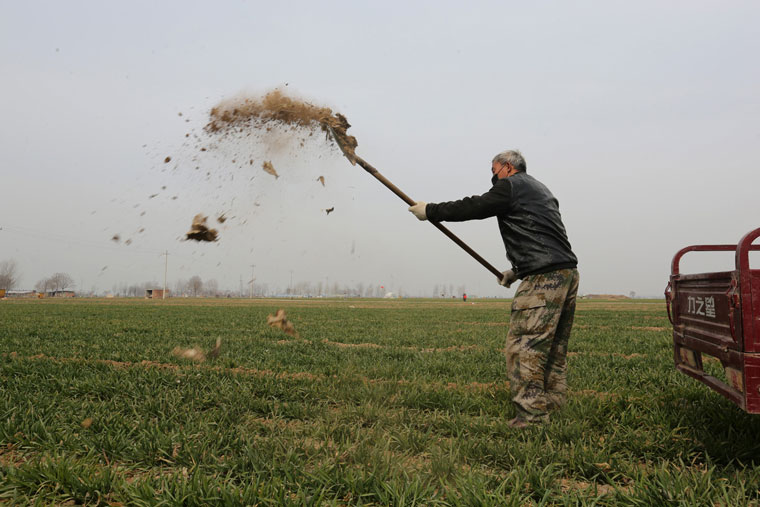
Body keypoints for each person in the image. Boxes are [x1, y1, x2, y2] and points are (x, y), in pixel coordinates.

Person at [408, 150, 579, 428]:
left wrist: (431, 211)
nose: (492, 175)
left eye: (494, 169)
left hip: (544, 278)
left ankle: (532, 419)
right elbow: (543, 236)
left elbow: (474, 206)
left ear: (507, 168)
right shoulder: (540, 190)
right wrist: (516, 270)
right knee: (553, 348)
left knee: (525, 347)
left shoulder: (511, 186)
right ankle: (553, 405)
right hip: (566, 273)